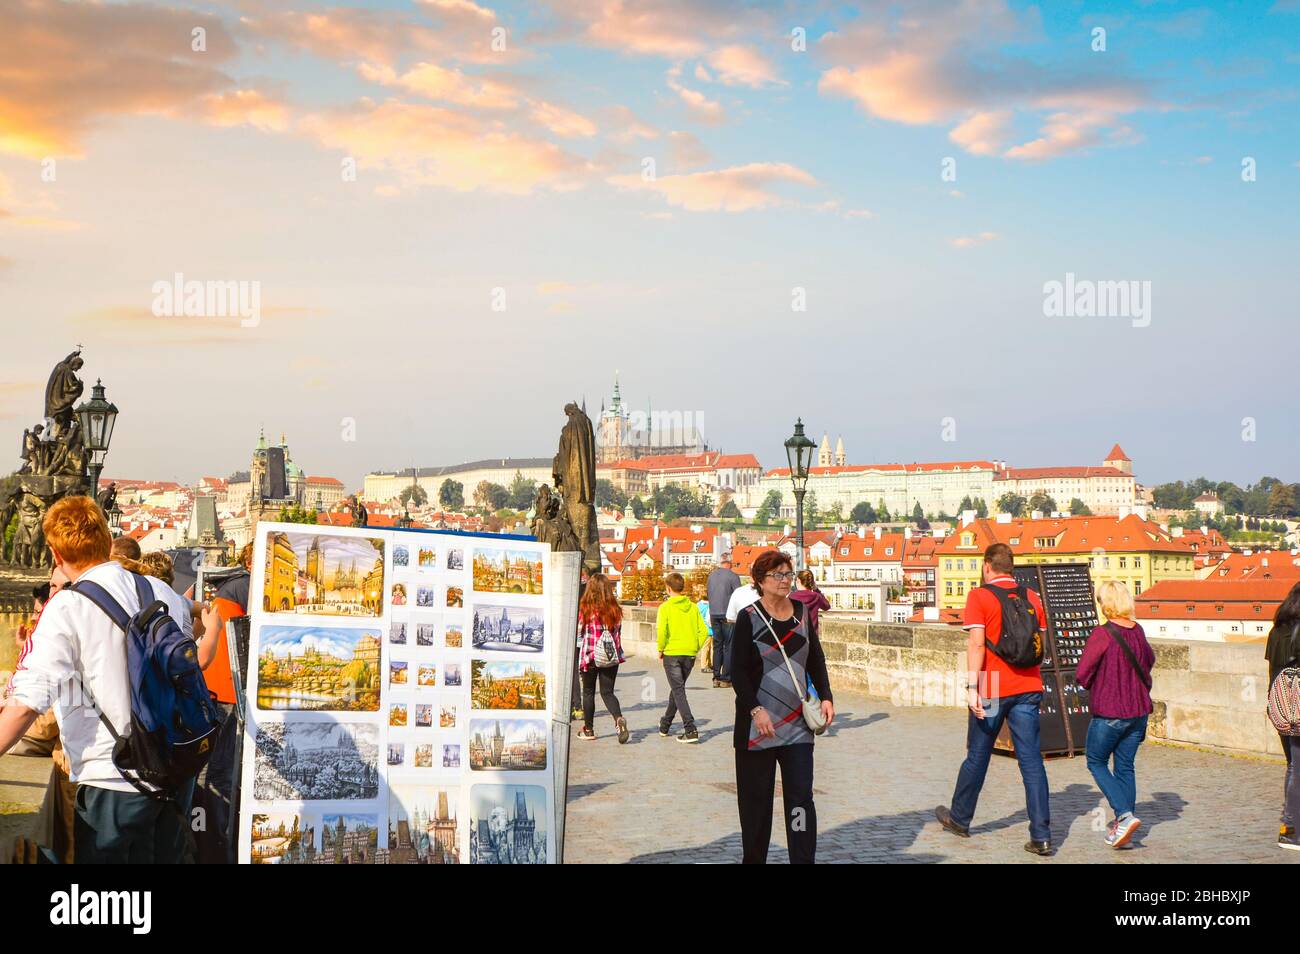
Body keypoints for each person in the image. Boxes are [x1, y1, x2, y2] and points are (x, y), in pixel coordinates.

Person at [0, 496, 195, 863]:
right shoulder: (160, 591)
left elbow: (25, 707)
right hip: (172, 766)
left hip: (113, 776)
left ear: (57, 556)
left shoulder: (68, 606)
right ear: (107, 540)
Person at [935, 542, 1052, 856]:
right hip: (1028, 686)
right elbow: (1040, 644)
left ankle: (960, 818)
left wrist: (972, 687)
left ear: (987, 566)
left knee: (978, 755)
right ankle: (1041, 835)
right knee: (1031, 763)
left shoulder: (979, 596)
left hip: (992, 686)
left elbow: (977, 646)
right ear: (1011, 567)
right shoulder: (1033, 597)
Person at [731, 549, 834, 863]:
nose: (784, 580)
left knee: (800, 800)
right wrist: (755, 709)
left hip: (797, 725)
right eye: (777, 574)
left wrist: (827, 696)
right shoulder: (749, 618)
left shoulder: (801, 613)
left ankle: (802, 859)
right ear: (760, 580)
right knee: (757, 804)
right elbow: (736, 671)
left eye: (788, 573)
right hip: (757, 727)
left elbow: (815, 660)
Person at [1076, 579, 1155, 849]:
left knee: (1096, 761)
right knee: (1124, 766)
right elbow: (1150, 660)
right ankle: (1125, 829)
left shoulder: (1103, 634)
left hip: (1110, 711)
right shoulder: (1138, 630)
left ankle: (1124, 815)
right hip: (1138, 711)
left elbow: (1082, 673)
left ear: (1105, 604)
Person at [193, 542, 252, 864]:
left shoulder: (232, 586)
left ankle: (210, 843)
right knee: (220, 774)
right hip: (227, 691)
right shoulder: (244, 587)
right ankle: (215, 847)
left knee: (214, 772)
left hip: (218, 689)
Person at [575, 573, 629, 743]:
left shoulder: (585, 610)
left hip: (590, 656)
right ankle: (618, 719)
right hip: (610, 657)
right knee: (607, 692)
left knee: (589, 692)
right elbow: (617, 634)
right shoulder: (615, 610)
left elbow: (579, 634)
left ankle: (589, 730)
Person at [656, 571, 710, 743]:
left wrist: (660, 648)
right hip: (689, 654)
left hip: (672, 653)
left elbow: (662, 631)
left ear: (668, 588)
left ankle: (690, 728)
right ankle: (665, 724)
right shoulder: (693, 607)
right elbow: (703, 631)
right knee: (677, 689)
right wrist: (695, 646)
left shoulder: (665, 607)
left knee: (678, 690)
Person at [1266, 581, 1300, 851]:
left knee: (1293, 765)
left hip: (1279, 705)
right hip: (1297, 706)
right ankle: (1291, 828)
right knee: (1297, 768)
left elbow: (1273, 671)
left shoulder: (1276, 631)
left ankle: (1290, 823)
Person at [707, 554, 742, 689]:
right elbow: (738, 597)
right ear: (730, 563)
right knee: (729, 646)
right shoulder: (733, 577)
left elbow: (709, 594)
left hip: (714, 613)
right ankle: (726, 678)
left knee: (717, 646)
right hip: (728, 615)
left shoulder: (711, 576)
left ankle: (716, 676)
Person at [790, 569, 830, 636]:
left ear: (798, 580)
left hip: (797, 637)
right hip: (812, 638)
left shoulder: (791, 597)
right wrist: (816, 590)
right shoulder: (816, 596)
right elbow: (827, 606)